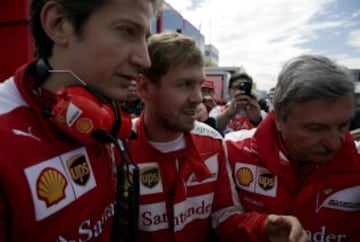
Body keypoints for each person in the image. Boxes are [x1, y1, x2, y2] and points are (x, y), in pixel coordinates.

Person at [126, 31, 308, 242]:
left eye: (199, 85)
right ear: (144, 87)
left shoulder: (212, 142)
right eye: (184, 85)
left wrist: (263, 227)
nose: (197, 98)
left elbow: (223, 216)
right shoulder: (117, 147)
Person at [0, 0, 158, 241]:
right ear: (59, 23)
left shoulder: (104, 112)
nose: (145, 60)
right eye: (127, 31)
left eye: (145, 39)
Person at [225, 55, 360, 242]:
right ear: (279, 118)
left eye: (343, 126)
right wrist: (261, 227)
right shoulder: (232, 150)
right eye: (315, 129)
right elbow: (220, 221)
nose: (334, 143)